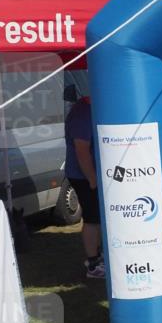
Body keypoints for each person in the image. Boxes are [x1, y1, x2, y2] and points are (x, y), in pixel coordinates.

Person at [64, 95, 104, 279]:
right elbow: (81, 150)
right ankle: (93, 264)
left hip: (92, 175)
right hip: (84, 176)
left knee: (98, 218)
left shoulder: (89, 108)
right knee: (92, 218)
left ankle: (100, 257)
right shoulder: (82, 113)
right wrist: (92, 179)